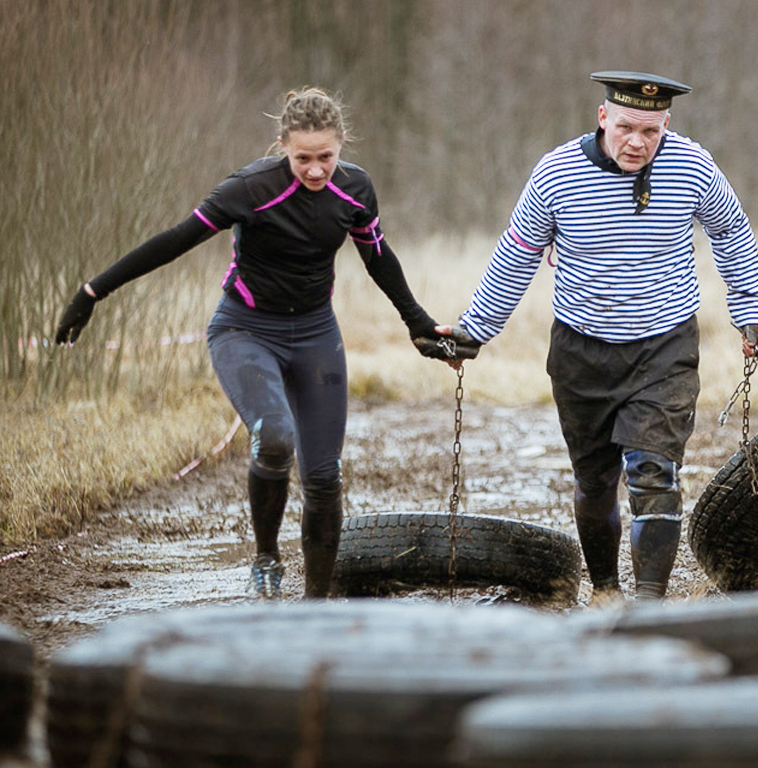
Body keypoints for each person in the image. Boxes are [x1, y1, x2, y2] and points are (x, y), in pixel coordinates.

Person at [54, 87, 466, 599]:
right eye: (302, 159)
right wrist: (93, 292)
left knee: (323, 475)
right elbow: (174, 240)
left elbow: (379, 258)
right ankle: (266, 557)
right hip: (244, 330)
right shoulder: (250, 188)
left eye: (326, 158)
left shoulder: (354, 190)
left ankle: (317, 602)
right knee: (273, 437)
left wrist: (419, 325)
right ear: (282, 146)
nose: (315, 170)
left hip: (316, 333)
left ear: (341, 147)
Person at [438, 71, 758, 601]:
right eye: (625, 127)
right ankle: (605, 589)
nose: (637, 142)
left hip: (664, 346)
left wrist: (751, 309)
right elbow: (517, 253)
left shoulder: (693, 167)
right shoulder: (556, 174)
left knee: (653, 474)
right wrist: (475, 330)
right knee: (594, 483)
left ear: (667, 123)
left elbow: (731, 231)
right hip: (581, 352)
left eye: (650, 131)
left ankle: (648, 605)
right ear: (602, 118)